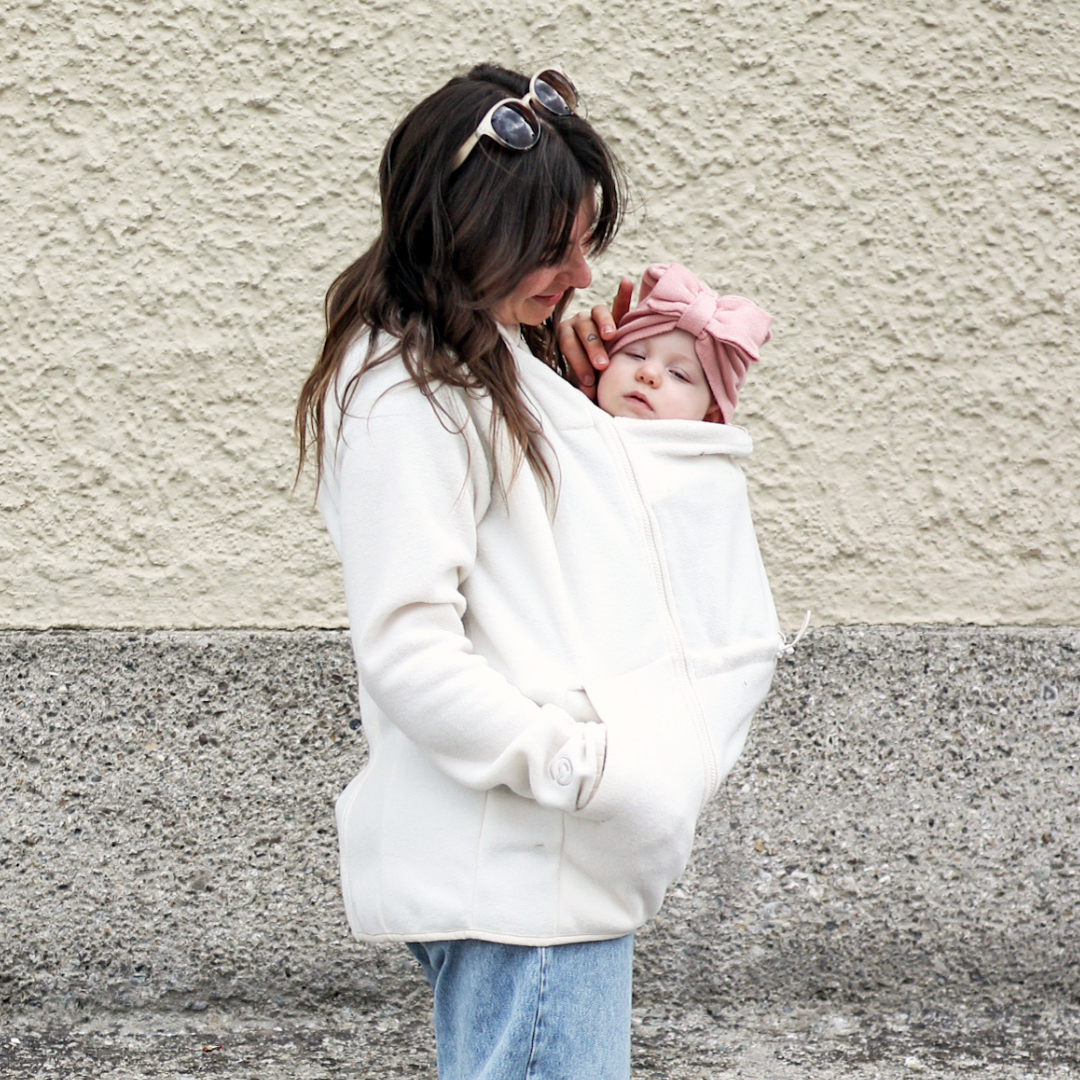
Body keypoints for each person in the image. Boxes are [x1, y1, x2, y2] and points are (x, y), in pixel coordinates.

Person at [295, 64, 782, 1080]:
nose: (581, 274)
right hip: (530, 869)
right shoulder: (404, 395)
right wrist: (587, 770)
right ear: (468, 224)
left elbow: (534, 539)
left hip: (540, 866)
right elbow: (408, 649)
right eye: (552, 247)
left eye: (585, 243)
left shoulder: (471, 355)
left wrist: (565, 381)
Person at [595, 262, 772, 422]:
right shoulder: (569, 414)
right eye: (636, 355)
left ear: (710, 416)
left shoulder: (708, 458)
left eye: (678, 374)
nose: (648, 373)